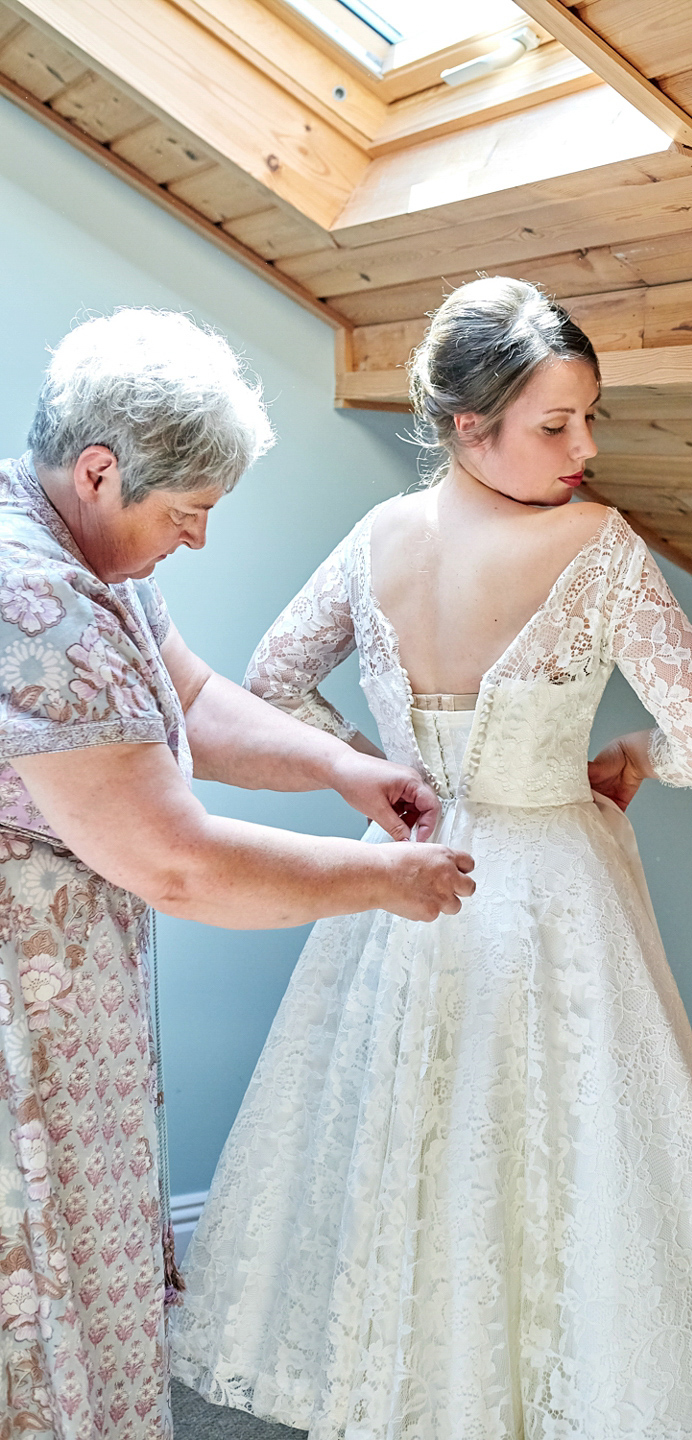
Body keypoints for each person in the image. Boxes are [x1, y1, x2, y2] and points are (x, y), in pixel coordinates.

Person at [171, 278, 692, 1439]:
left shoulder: (380, 537)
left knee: (406, 1121)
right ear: (468, 426)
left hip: (404, 872)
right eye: (555, 425)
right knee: (559, 1146)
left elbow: (268, 686)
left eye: (590, 417)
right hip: (548, 881)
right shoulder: (596, 545)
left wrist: (378, 774)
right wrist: (633, 754)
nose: (585, 449)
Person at [0, 308, 475, 1440]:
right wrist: (380, 884)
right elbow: (178, 861)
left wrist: (345, 767)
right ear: (101, 470)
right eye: (187, 516)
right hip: (22, 1001)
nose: (199, 542)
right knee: (42, 1246)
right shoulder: (40, 601)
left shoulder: (79, 546)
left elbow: (194, 700)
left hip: (67, 976)